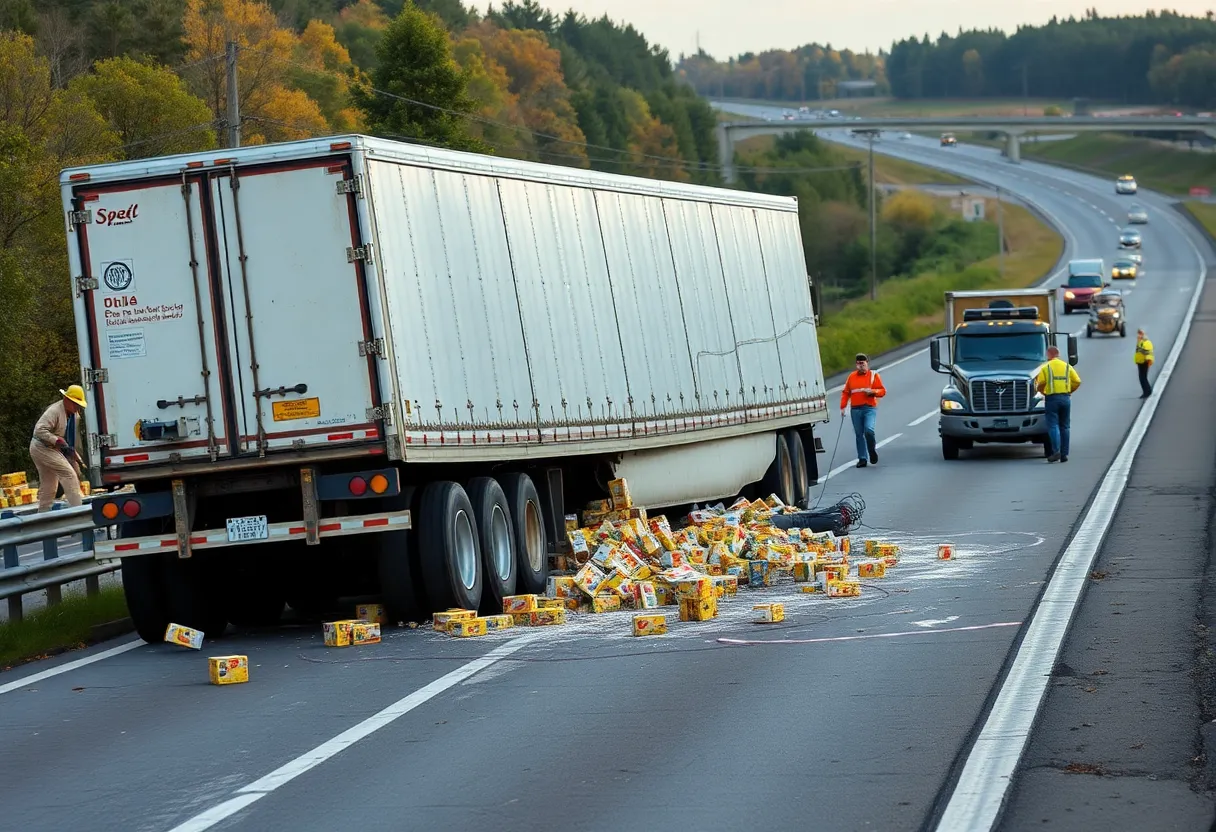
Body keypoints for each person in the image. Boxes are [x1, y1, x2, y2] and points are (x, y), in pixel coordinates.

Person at [29, 384, 87, 512]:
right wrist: (55, 440)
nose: (77, 407)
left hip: (51, 448)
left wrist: (74, 456)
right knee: (69, 475)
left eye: (78, 405)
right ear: (66, 399)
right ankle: (79, 513)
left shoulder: (74, 416)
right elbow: (39, 430)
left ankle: (42, 518)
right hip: (41, 446)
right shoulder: (54, 411)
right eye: (75, 404)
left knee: (49, 485)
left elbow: (72, 440)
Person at [1034, 346, 1081, 463]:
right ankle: (1065, 454)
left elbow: (1040, 383)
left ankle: (1056, 451)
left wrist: (1043, 391)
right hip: (1065, 398)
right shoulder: (1067, 366)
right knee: (1065, 426)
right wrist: (1069, 391)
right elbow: (1077, 381)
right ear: (1058, 354)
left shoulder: (1046, 367)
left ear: (1049, 355)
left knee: (1053, 425)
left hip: (1052, 399)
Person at [840, 353, 886, 468]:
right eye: (858, 363)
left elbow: (882, 391)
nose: (861, 365)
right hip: (855, 409)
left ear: (867, 363)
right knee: (859, 434)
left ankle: (871, 449)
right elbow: (846, 392)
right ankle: (862, 458)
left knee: (869, 430)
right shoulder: (852, 376)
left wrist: (873, 392)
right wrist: (843, 406)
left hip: (869, 408)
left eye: (863, 363)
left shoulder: (873, 375)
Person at [1134, 328, 1154, 399]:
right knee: (1142, 377)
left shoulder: (1146, 343)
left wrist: (1148, 361)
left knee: (1143, 378)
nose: (1138, 336)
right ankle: (1146, 391)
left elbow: (1149, 353)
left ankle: (1147, 391)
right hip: (1140, 362)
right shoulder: (1140, 342)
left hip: (1144, 362)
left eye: (1139, 334)